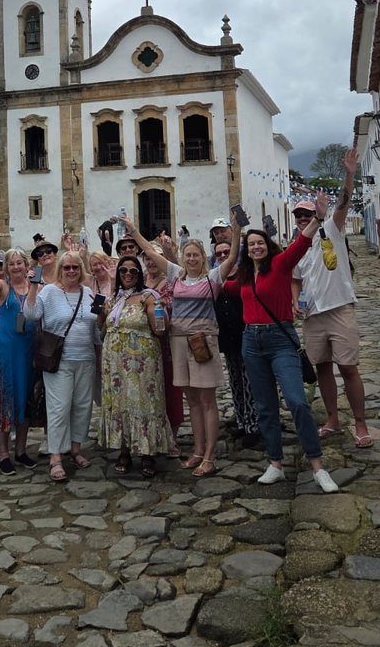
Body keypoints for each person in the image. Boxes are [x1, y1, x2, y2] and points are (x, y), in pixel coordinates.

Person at [223, 191, 339, 493]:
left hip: (280, 340)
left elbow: (302, 243)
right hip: (251, 343)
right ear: (247, 250)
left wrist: (318, 217)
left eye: (260, 243)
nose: (256, 247)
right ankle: (275, 463)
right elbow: (215, 281)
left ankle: (317, 466)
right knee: (265, 406)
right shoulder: (243, 279)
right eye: (251, 244)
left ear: (268, 245)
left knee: (297, 401)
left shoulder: (281, 264)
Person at [124, 217, 240, 477]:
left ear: (203, 257)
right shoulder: (176, 275)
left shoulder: (212, 278)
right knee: (192, 400)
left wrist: (236, 230)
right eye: (188, 255)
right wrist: (134, 231)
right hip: (178, 341)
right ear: (183, 257)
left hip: (202, 341)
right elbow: (151, 252)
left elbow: (232, 257)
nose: (191, 259)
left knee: (207, 400)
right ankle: (197, 451)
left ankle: (209, 455)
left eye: (196, 255)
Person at [292, 149, 372, 448]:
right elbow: (295, 279)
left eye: (307, 214)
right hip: (312, 315)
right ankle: (332, 419)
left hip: (339, 309)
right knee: (323, 367)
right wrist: (294, 301)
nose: (302, 218)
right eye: (298, 215)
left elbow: (343, 203)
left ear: (316, 214)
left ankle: (361, 423)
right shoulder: (296, 246)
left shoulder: (331, 230)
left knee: (348, 367)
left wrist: (349, 174)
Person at [24, 251, 101, 482]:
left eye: (75, 267)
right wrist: (32, 287)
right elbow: (30, 314)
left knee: (82, 406)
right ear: (60, 270)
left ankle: (76, 449)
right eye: (66, 267)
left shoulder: (89, 293)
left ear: (81, 270)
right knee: (59, 407)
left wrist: (99, 357)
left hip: (86, 358)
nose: (71, 271)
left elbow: (96, 328)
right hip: (59, 360)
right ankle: (55, 456)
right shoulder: (49, 291)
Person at [99, 255, 173, 476]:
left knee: (145, 403)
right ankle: (124, 451)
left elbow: (160, 329)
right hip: (114, 361)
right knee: (119, 403)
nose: (128, 275)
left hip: (143, 361)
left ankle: (147, 453)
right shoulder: (113, 299)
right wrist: (100, 311)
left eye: (133, 271)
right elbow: (101, 326)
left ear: (140, 274)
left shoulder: (149, 296)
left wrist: (159, 312)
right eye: (124, 270)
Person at [0, 242, 37, 474]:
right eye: (11, 264)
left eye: (19, 262)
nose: (15, 267)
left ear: (26, 265)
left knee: (25, 398)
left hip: (28, 350)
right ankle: (3, 453)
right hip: (6, 350)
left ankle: (20, 451)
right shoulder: (2, 287)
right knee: (5, 398)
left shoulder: (35, 286)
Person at [212, 240, 260, 446]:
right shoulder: (215, 279)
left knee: (250, 383)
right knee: (235, 382)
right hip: (228, 340)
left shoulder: (245, 276)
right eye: (219, 254)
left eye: (226, 252)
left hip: (246, 336)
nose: (223, 256)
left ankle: (253, 426)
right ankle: (241, 421)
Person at [143, 245, 184, 445]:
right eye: (147, 258)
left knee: (171, 390)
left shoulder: (172, 282)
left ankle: (172, 437)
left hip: (167, 344)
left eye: (155, 258)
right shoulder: (140, 281)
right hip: (143, 346)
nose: (151, 262)